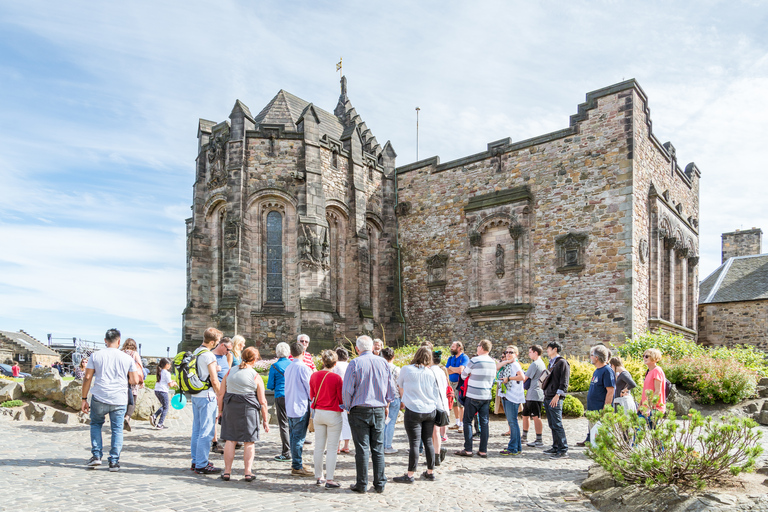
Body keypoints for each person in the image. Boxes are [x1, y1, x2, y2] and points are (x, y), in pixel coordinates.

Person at [81, 328, 142, 472]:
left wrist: (84, 398)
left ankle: (96, 456)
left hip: (100, 396)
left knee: (96, 424)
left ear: (105, 341)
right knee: (117, 429)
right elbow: (134, 380)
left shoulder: (95, 356)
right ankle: (114, 461)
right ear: (119, 341)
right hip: (119, 398)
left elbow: (87, 377)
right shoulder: (127, 358)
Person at [342, 335, 396, 494]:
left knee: (362, 448)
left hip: (359, 409)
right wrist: (386, 405)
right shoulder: (383, 363)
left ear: (357, 349)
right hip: (378, 409)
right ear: (372, 347)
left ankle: (362, 483)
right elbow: (390, 389)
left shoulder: (355, 363)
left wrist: (347, 406)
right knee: (378, 448)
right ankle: (379, 483)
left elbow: (347, 390)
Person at [393, 347, 444, 484]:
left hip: (414, 409)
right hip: (429, 409)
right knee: (428, 441)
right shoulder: (431, 372)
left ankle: (410, 475)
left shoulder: (406, 369)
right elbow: (435, 392)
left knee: (414, 443)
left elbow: (400, 384)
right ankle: (430, 472)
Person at [218, 347, 269, 482]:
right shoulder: (255, 375)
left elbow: (221, 394)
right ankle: (247, 472)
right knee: (249, 441)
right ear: (254, 359)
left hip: (231, 408)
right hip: (249, 410)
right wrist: (265, 420)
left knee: (230, 439)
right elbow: (263, 401)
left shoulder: (229, 372)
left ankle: (227, 471)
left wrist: (220, 411)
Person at [454, 339, 495, 458]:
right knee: (484, 423)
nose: (477, 348)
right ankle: (483, 450)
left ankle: (468, 449)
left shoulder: (475, 360)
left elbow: (463, 375)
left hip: (472, 395)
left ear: (481, 347)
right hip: (486, 395)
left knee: (467, 421)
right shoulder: (492, 362)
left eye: (477, 346)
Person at [190, 327, 223, 474]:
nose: (217, 344)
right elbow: (214, 381)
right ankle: (202, 464)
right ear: (212, 341)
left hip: (196, 395)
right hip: (207, 396)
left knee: (196, 430)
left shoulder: (196, 352)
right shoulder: (209, 355)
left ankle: (196, 460)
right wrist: (221, 394)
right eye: (217, 342)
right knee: (207, 431)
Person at [310, 350, 345, 488]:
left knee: (318, 446)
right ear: (335, 363)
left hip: (318, 412)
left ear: (323, 362)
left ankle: (319, 476)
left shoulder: (314, 376)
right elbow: (341, 398)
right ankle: (329, 479)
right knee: (331, 448)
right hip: (333, 413)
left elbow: (312, 394)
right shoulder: (337, 378)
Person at [284, 341, 314, 477]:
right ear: (303, 353)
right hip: (300, 406)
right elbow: (309, 388)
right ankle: (297, 465)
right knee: (298, 438)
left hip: (290, 405)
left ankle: (298, 462)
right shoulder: (303, 368)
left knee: (293, 436)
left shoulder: (289, 367)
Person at [577, 345, 615, 447]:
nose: (590, 357)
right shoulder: (597, 370)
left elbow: (610, 391)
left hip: (600, 409)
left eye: (591, 355)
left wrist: (605, 409)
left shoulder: (607, 370)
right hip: (593, 408)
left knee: (601, 435)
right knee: (593, 433)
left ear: (597, 357)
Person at [542, 341, 570, 459]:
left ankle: (563, 449)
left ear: (554, 349)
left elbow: (564, 382)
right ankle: (556, 446)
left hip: (555, 397)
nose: (547, 350)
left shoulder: (562, 363)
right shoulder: (551, 364)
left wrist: (557, 396)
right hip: (548, 396)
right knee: (552, 423)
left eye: (548, 348)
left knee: (557, 423)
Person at [498, 346, 525, 455]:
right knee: (513, 421)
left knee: (512, 422)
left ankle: (513, 448)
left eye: (511, 352)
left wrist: (509, 379)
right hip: (507, 395)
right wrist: (507, 360)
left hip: (512, 396)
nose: (508, 354)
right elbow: (496, 367)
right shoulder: (508, 364)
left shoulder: (514, 365)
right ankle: (517, 447)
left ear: (516, 354)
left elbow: (522, 377)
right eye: (506, 352)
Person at [267, 342, 292, 462]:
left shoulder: (275, 366)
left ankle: (286, 452)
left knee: (283, 424)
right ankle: (295, 450)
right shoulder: (293, 365)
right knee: (293, 423)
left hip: (280, 396)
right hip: (293, 396)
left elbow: (270, 385)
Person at [210, 337, 233, 454]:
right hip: (215, 392)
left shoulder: (225, 356)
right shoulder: (211, 356)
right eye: (228, 349)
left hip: (226, 391)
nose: (228, 352)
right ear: (222, 345)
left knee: (226, 416)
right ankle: (214, 442)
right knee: (215, 418)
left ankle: (228, 439)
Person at [523, 345, 546, 448]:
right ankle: (524, 436)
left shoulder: (535, 364)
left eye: (530, 352)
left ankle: (539, 439)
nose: (529, 354)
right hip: (533, 394)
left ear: (535, 352)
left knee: (536, 416)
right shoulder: (542, 364)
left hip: (534, 394)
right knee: (525, 415)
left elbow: (525, 378)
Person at [429, 350, 450, 465]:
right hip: (442, 404)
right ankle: (437, 452)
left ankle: (436, 455)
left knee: (433, 432)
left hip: (433, 404)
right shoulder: (441, 371)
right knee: (436, 432)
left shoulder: (430, 371)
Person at [120, 338, 144, 432]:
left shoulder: (121, 353)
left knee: (123, 400)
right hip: (132, 379)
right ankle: (127, 417)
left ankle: (121, 419)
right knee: (132, 400)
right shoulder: (134, 354)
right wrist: (141, 380)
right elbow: (140, 367)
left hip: (122, 380)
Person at [333, 347, 353, 454]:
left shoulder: (335, 366)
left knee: (337, 421)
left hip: (337, 396)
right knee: (347, 421)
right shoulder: (350, 365)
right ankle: (346, 445)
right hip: (349, 396)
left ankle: (337, 445)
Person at [446, 341, 469, 433]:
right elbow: (446, 370)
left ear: (459, 348)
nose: (451, 348)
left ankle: (462, 424)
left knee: (461, 404)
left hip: (460, 384)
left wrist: (451, 368)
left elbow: (461, 370)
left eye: (453, 346)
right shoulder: (450, 358)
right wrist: (453, 369)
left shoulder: (464, 357)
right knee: (454, 403)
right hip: (451, 383)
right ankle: (457, 422)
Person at [381, 347, 400, 455]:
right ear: (393, 357)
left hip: (381, 398)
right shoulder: (396, 369)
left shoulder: (379, 367)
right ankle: (388, 445)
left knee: (382, 423)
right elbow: (400, 385)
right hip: (394, 397)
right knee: (391, 423)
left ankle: (382, 444)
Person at [640, 348, 666, 426]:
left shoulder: (657, 371)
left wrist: (649, 408)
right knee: (652, 433)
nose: (644, 358)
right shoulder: (648, 371)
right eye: (643, 356)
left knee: (641, 429)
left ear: (654, 358)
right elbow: (646, 391)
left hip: (654, 408)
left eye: (647, 356)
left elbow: (657, 391)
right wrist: (640, 405)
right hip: (646, 408)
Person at [150, 358, 177, 429]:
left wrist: (171, 381)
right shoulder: (166, 373)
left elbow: (164, 381)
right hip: (163, 391)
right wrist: (174, 383)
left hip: (157, 390)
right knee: (166, 407)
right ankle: (160, 423)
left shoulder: (160, 371)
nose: (170, 366)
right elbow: (170, 385)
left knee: (164, 406)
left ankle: (154, 416)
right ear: (166, 365)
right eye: (170, 364)